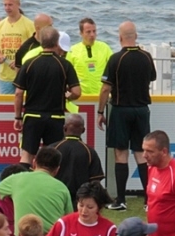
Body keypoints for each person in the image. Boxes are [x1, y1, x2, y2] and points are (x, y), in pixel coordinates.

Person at [98, 21, 157, 211]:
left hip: (121, 109)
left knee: (121, 153)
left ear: (120, 37)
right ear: (136, 36)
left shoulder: (116, 59)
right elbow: (152, 77)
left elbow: (106, 87)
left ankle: (121, 200)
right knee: (141, 154)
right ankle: (149, 201)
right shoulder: (147, 57)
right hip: (141, 110)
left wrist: (100, 111)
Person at [13, 25, 81, 166]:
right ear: (57, 43)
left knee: (27, 155)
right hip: (55, 117)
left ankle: (23, 185)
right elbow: (77, 92)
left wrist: (18, 117)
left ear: (41, 42)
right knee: (53, 157)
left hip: (33, 116)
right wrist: (67, 97)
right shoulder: (65, 64)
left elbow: (18, 93)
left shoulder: (29, 63)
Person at [0, 146, 72, 236]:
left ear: (34, 163)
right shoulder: (62, 188)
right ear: (57, 169)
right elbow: (69, 219)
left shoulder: (16, 179)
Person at [50, 114, 105, 210]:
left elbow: (41, 174)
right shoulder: (89, 151)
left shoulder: (52, 149)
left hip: (54, 199)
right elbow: (96, 181)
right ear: (83, 130)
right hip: (79, 202)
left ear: (64, 128)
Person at [0, 0, 35, 94]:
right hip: (5, 76)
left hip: (24, 75)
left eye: (10, 5)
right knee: (7, 107)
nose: (7, 8)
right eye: (5, 5)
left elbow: (35, 49)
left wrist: (19, 62)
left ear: (18, 5)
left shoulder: (29, 25)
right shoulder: (0, 25)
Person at [69, 18, 114, 96]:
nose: (92, 34)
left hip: (102, 95)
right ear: (81, 33)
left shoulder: (104, 48)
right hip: (82, 97)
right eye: (88, 32)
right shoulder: (73, 50)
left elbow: (114, 68)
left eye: (94, 31)